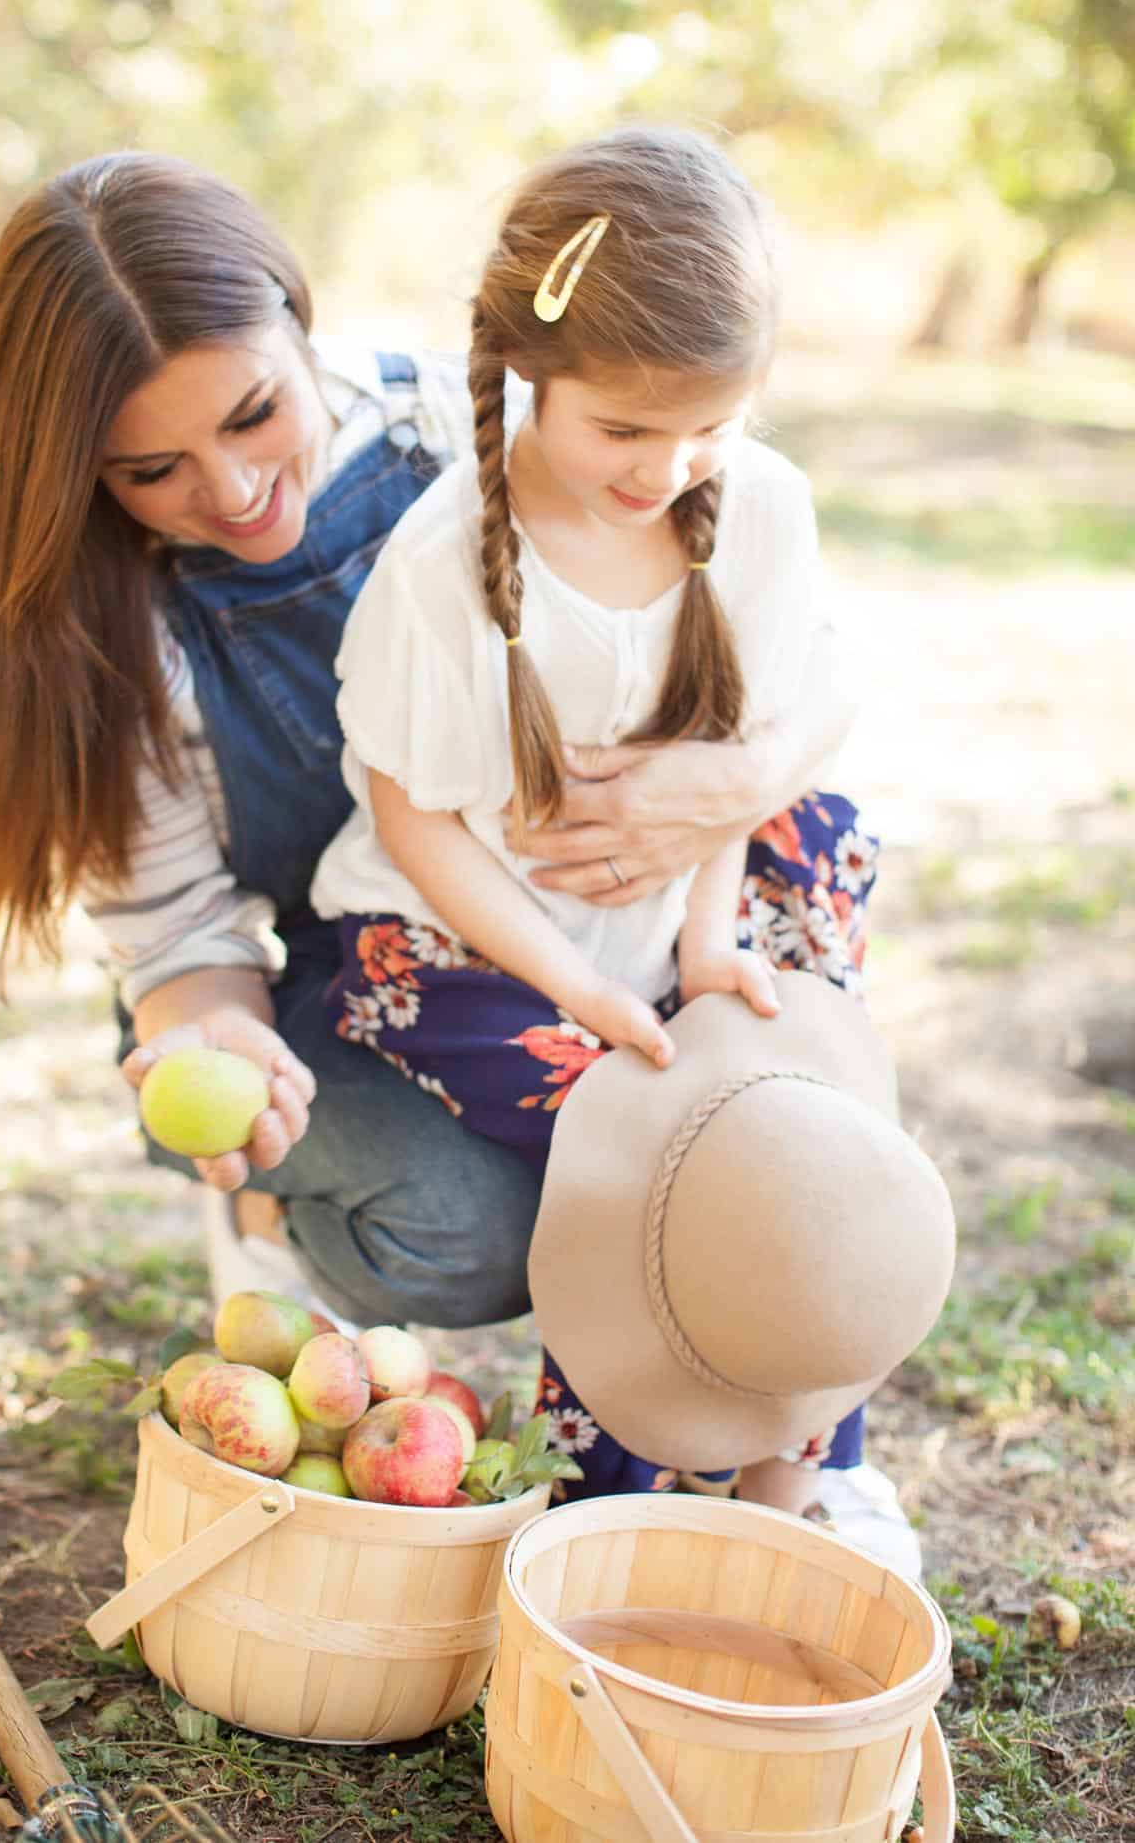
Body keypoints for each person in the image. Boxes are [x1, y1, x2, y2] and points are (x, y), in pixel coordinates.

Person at [0, 147, 861, 1351]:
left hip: (574, 908)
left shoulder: (472, 421)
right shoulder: (97, 635)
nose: (239, 487)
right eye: (153, 471)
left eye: (256, 414)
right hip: (306, 981)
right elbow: (177, 936)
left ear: (297, 321)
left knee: (722, 1111)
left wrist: (733, 786)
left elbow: (806, 656)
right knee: (483, 1227)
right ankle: (270, 1215)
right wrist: (218, 1044)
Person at [311, 126, 906, 1551]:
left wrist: (705, 943)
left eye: (711, 423)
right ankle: (608, 1504)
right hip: (467, 938)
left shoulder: (758, 508)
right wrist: (581, 992)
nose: (672, 466)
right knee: (638, 1155)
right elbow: (416, 821)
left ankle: (800, 1486)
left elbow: (731, 752)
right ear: (528, 368)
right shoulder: (446, 564)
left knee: (782, 1119)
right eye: (625, 431)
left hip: (665, 905)